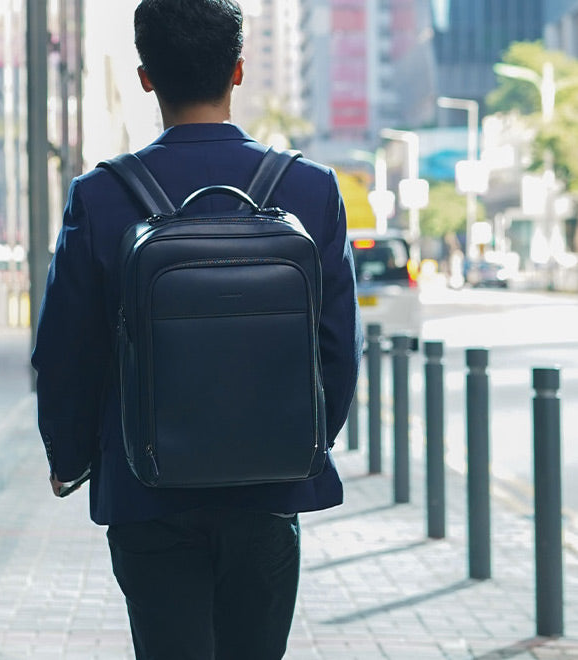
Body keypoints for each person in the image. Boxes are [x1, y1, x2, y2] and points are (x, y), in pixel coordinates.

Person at [31, 0, 362, 657]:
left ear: (146, 77)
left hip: (145, 489)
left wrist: (70, 460)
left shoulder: (98, 196)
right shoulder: (312, 189)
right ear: (238, 71)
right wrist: (296, 446)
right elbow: (335, 351)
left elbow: (66, 354)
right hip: (268, 491)